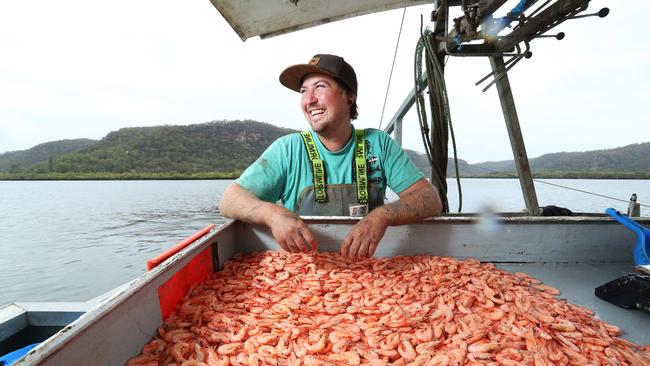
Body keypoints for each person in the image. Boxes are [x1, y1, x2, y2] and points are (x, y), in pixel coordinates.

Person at [219, 54, 442, 258]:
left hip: (370, 267)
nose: (310, 100)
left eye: (320, 87)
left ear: (350, 96)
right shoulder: (288, 149)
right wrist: (273, 215)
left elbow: (431, 199)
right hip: (306, 272)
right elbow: (230, 199)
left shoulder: (378, 144)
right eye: (304, 91)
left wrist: (382, 216)